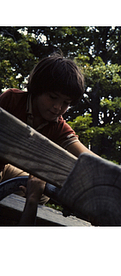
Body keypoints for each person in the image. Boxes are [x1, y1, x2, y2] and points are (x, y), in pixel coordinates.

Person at [0, 52, 95, 225]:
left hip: (10, 174)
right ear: (37, 89)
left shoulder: (58, 126)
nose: (58, 107)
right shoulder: (11, 99)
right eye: (52, 97)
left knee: (43, 189)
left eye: (66, 103)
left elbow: (86, 156)